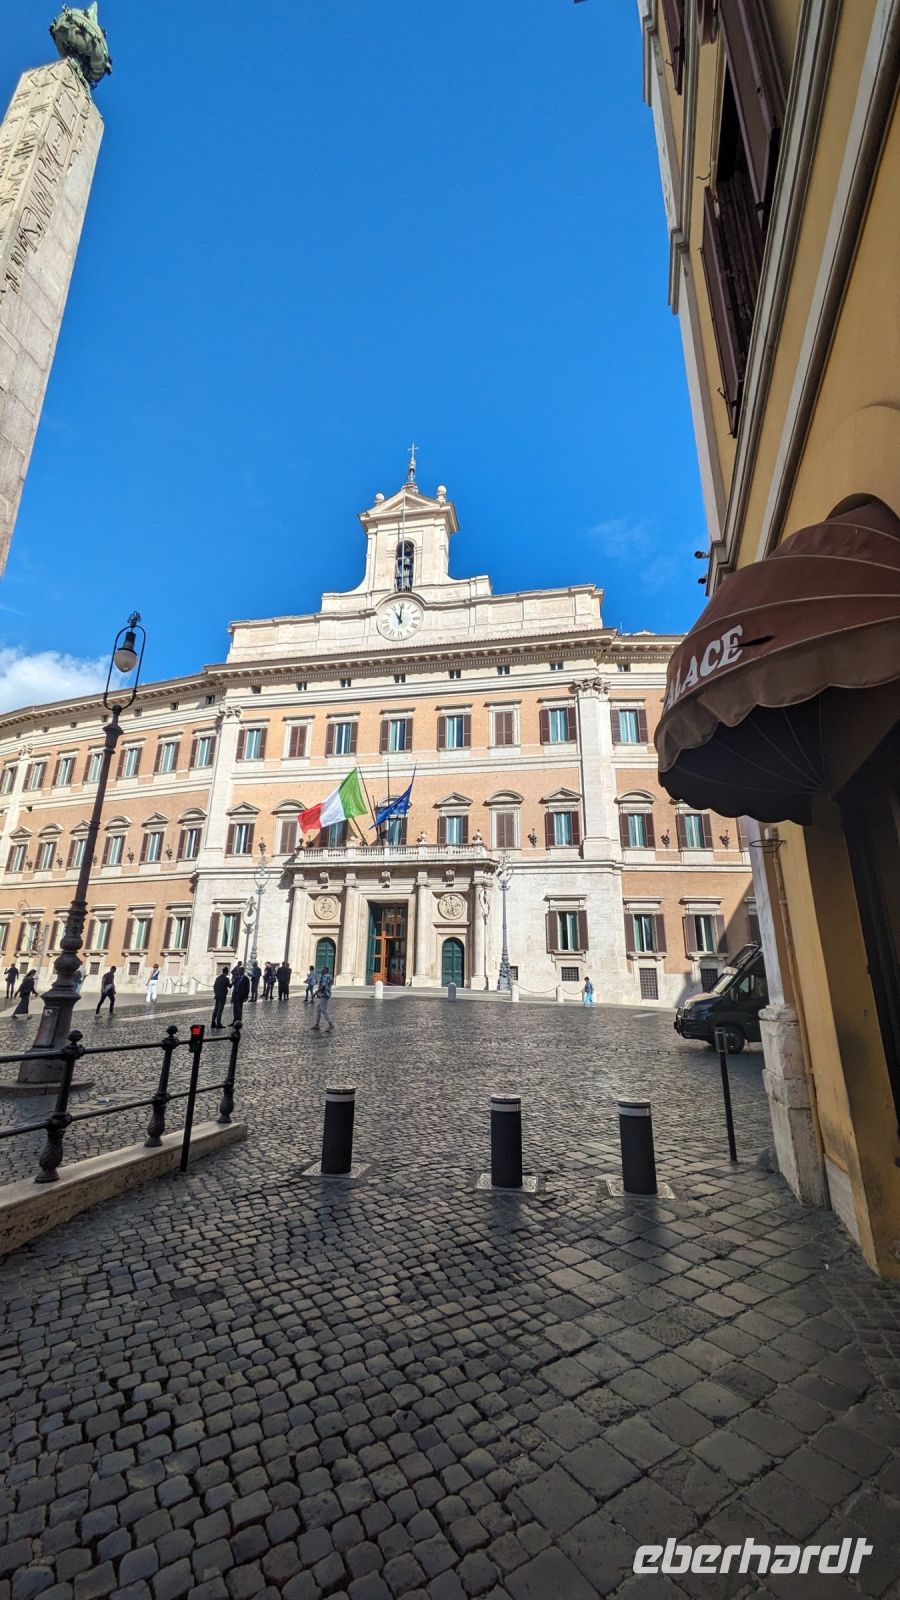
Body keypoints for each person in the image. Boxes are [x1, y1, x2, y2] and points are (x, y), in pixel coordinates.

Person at [312, 967, 334, 1033]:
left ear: (325, 971)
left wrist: (316, 993)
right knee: (318, 1008)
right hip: (326, 994)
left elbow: (323, 986)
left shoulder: (325, 977)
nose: (321, 970)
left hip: (324, 994)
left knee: (324, 1009)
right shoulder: (329, 977)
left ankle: (330, 1024)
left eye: (322, 970)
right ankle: (317, 1024)